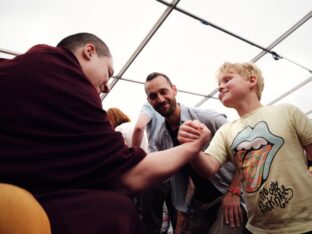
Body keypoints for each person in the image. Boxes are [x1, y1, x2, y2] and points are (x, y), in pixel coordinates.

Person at [0, 32, 210, 234]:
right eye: (109, 72)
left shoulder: (22, 69)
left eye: (163, 92)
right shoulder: (64, 75)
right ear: (89, 51)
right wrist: (194, 146)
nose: (108, 86)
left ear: (175, 90)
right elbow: (127, 176)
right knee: (117, 210)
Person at [178, 62, 312, 233]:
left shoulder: (286, 112)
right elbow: (208, 168)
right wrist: (194, 146)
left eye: (227, 80)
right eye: (219, 85)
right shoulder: (226, 130)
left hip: (305, 224)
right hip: (257, 228)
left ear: (252, 80)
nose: (220, 87)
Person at [144, 72, 246, 234]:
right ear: (149, 101)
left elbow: (246, 150)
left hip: (229, 194)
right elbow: (181, 177)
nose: (160, 99)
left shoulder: (208, 118)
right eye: (153, 96)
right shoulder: (159, 139)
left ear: (174, 90)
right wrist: (182, 212)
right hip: (201, 203)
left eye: (164, 92)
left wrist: (234, 191)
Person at [132, 103, 177, 234]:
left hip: (155, 171)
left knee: (151, 223)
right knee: (178, 219)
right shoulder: (174, 109)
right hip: (175, 170)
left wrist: (134, 155)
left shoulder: (149, 106)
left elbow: (139, 127)